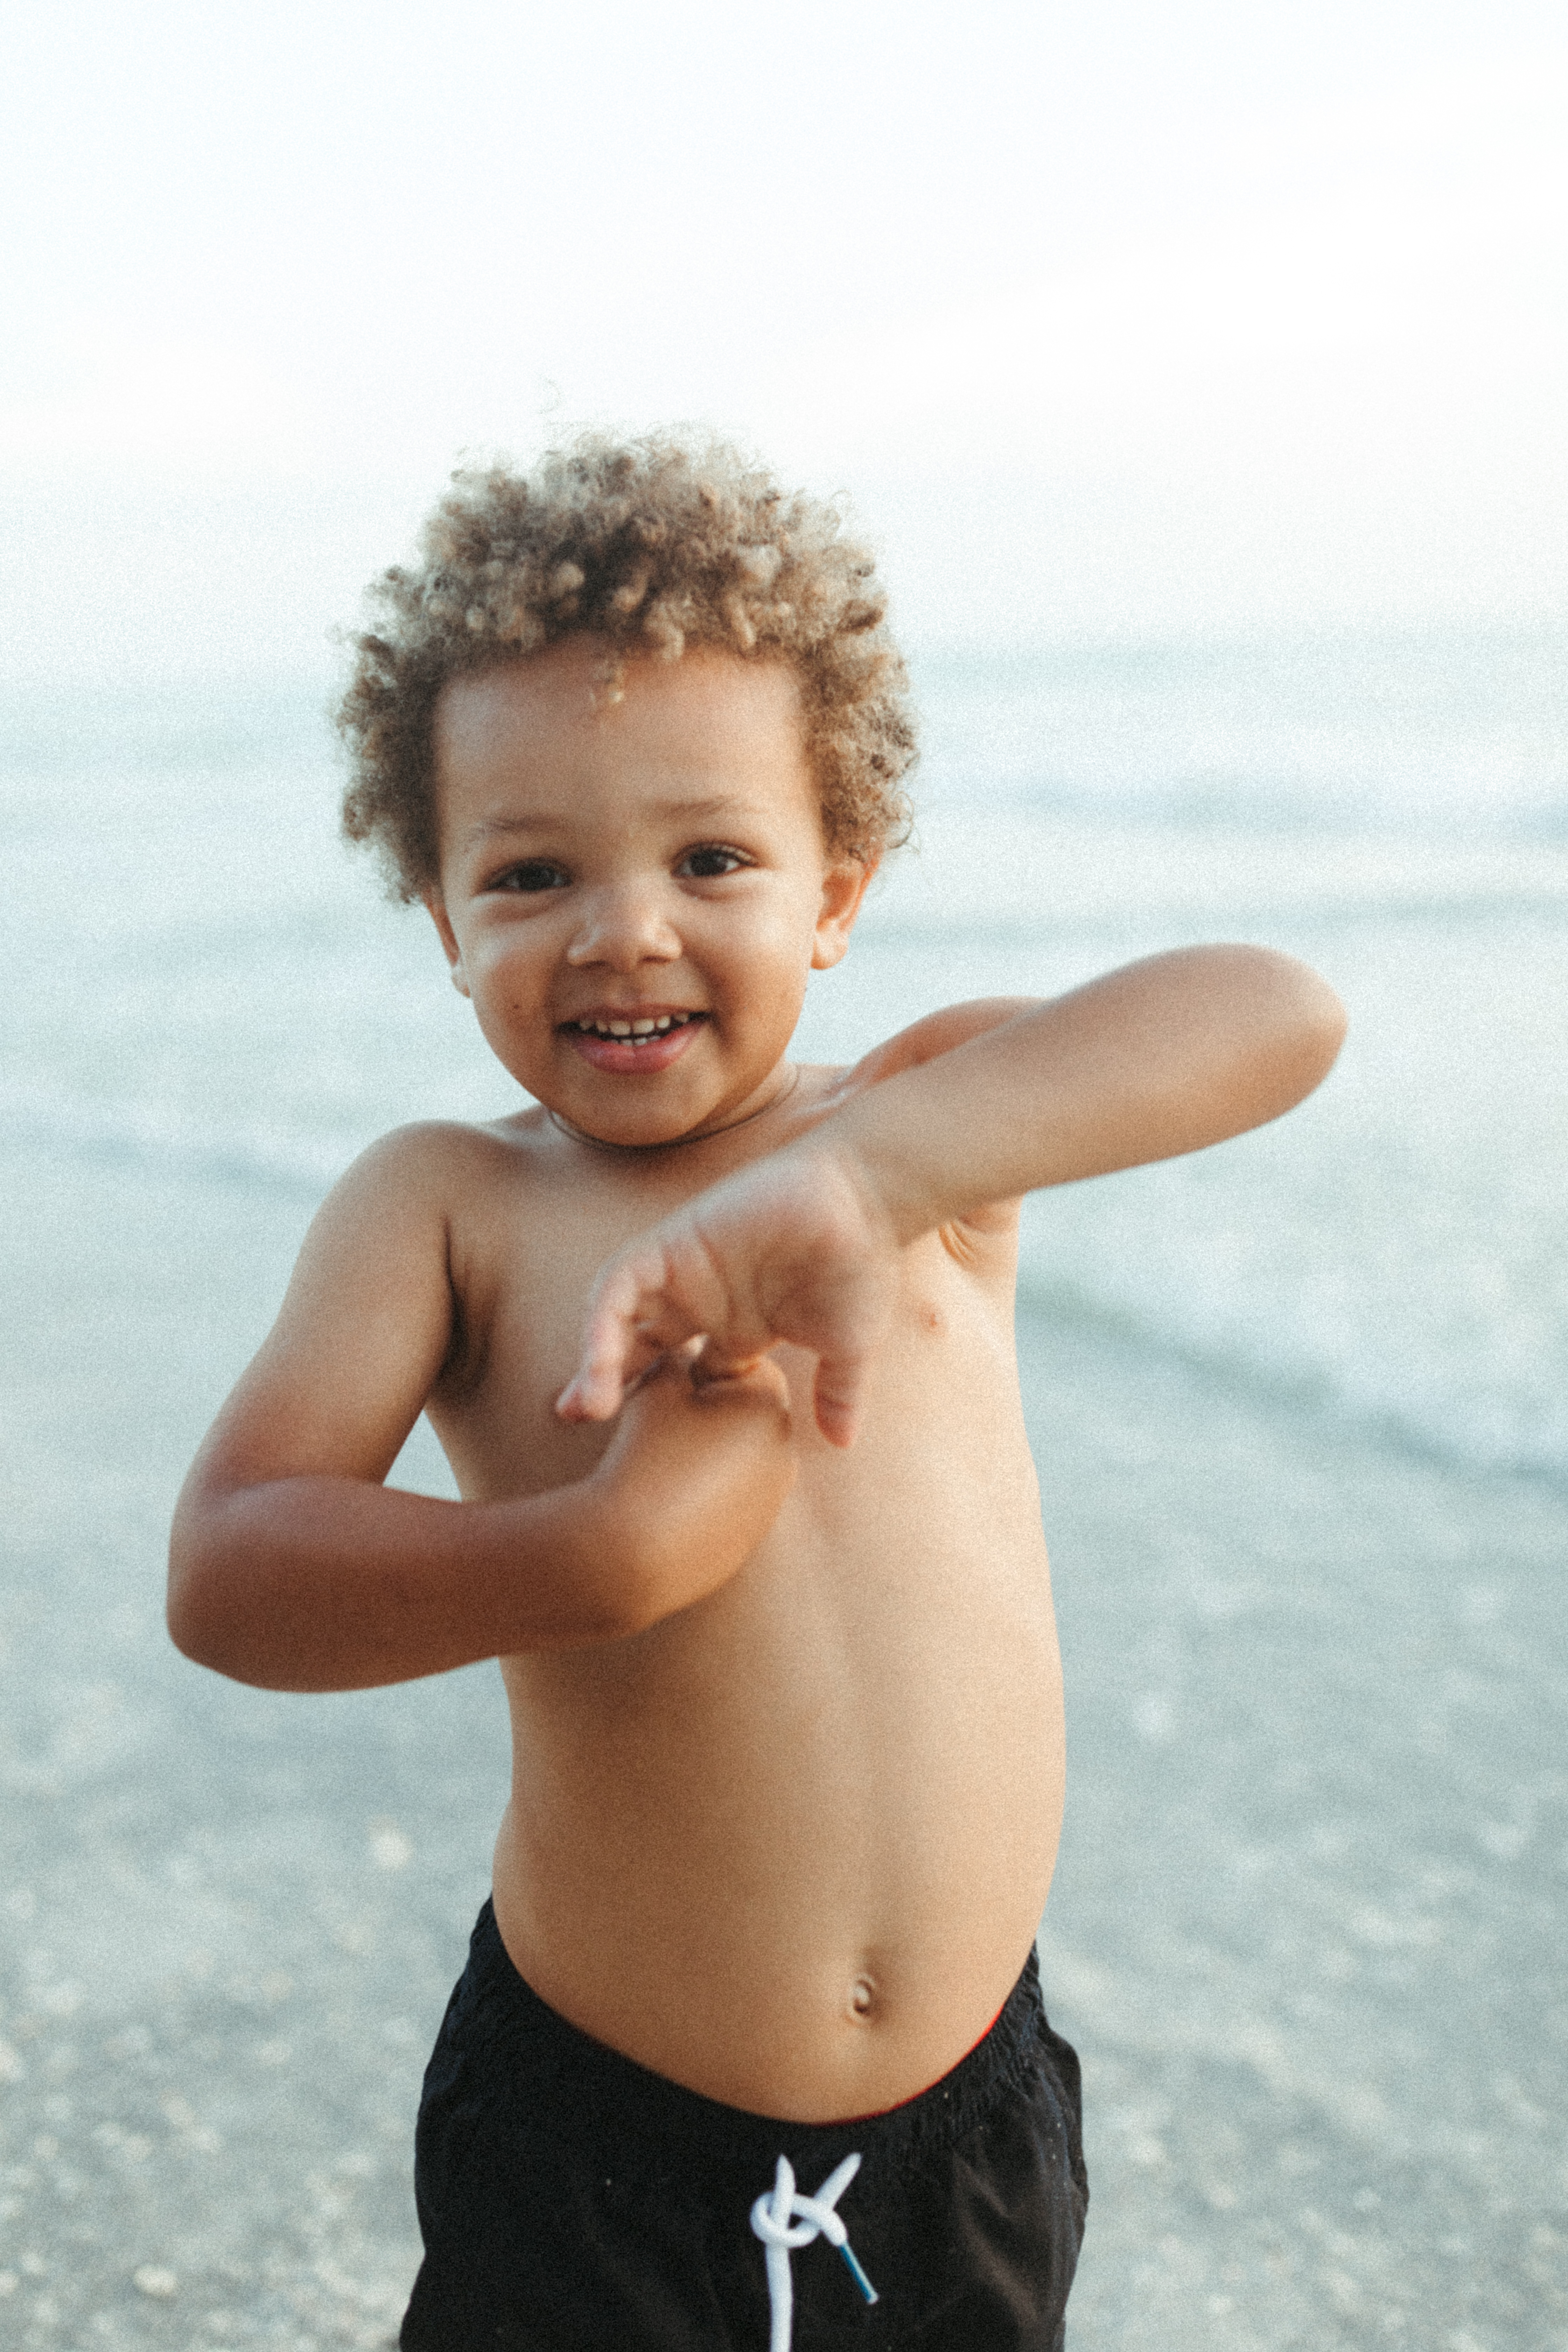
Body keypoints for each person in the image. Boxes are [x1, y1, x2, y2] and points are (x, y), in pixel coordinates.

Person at [167, 432, 1346, 2352]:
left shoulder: (923, 1138)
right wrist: (593, 1555)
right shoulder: (449, 1208)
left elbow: (1278, 1011)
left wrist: (868, 1181)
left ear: (836, 892)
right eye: (534, 871)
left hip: (961, 2137)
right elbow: (231, 1569)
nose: (626, 927)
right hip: (599, 2149)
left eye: (711, 857)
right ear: (447, 918)